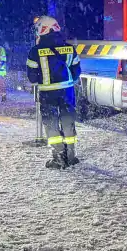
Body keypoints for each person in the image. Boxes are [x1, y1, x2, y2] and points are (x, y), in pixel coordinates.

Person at [26, 16, 81, 169]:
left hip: (48, 93)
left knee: (51, 124)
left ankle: (58, 157)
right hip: (67, 91)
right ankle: (70, 155)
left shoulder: (35, 51)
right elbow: (76, 71)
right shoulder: (70, 48)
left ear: (43, 30)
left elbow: (32, 77)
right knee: (68, 120)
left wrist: (43, 79)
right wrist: (67, 81)